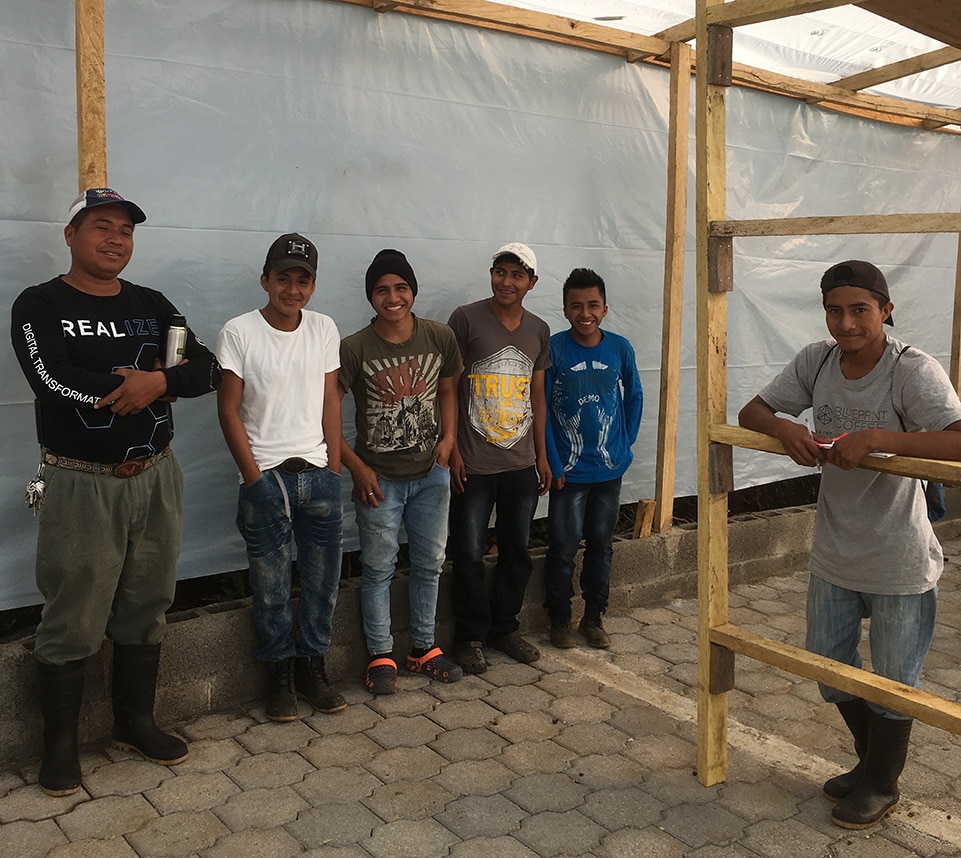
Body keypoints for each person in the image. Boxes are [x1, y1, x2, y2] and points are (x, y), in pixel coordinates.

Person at [9, 188, 222, 796]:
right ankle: (60, 749)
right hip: (82, 483)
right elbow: (48, 379)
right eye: (101, 227)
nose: (115, 240)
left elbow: (202, 368)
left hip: (156, 477)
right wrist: (127, 391)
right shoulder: (41, 303)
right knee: (73, 615)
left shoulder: (153, 307)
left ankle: (135, 724)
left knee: (147, 603)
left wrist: (159, 379)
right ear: (70, 235)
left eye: (126, 231)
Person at [737, 259, 961, 830]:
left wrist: (879, 438)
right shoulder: (817, 361)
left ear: (885, 310)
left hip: (898, 557)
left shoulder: (912, 369)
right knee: (830, 667)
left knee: (892, 680)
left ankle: (882, 782)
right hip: (835, 550)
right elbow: (752, 410)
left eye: (860, 309)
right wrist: (786, 428)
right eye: (835, 310)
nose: (846, 322)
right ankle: (870, 764)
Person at [216, 234, 346, 721]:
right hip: (266, 477)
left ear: (313, 286)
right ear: (265, 280)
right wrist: (254, 479)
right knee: (270, 587)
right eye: (283, 278)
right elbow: (228, 410)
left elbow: (331, 400)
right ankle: (278, 677)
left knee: (322, 582)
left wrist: (333, 469)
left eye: (303, 279)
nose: (292, 289)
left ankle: (313, 667)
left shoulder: (323, 328)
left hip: (318, 475)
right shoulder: (240, 331)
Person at [339, 249, 464, 694]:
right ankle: (380, 654)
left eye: (401, 288)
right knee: (377, 568)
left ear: (413, 291)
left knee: (430, 563)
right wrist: (355, 467)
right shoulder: (354, 348)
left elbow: (448, 389)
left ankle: (424, 649)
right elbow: (325, 415)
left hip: (431, 474)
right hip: (379, 479)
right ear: (371, 296)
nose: (392, 298)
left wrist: (448, 441)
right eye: (381, 290)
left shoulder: (439, 337)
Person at [447, 242, 551, 674]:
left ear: (531, 283)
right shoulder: (466, 319)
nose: (507, 282)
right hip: (474, 463)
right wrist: (451, 447)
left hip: (520, 464)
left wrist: (542, 457)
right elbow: (448, 388)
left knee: (516, 551)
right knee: (468, 552)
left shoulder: (539, 330)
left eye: (517, 275)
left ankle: (505, 628)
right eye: (500, 272)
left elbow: (538, 397)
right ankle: (469, 636)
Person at [544, 268, 642, 650]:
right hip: (568, 474)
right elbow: (541, 408)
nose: (585, 313)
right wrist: (552, 462)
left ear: (605, 309)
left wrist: (626, 442)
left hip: (608, 471)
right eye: (576, 306)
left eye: (593, 305)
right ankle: (559, 619)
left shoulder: (619, 348)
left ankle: (594, 616)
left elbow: (634, 395)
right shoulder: (553, 349)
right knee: (563, 546)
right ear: (566, 310)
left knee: (601, 543)